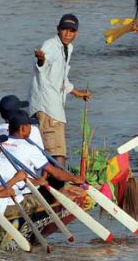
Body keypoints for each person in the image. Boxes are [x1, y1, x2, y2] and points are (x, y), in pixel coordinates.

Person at [28, 14, 91, 167]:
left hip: (55, 105)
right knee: (57, 151)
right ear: (58, 29)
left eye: (72, 31)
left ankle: (53, 181)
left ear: (77, 33)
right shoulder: (49, 46)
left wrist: (76, 92)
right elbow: (43, 64)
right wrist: (41, 59)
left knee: (53, 148)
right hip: (48, 107)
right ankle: (58, 185)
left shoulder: (68, 48)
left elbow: (61, 76)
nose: (68, 34)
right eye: (64, 30)